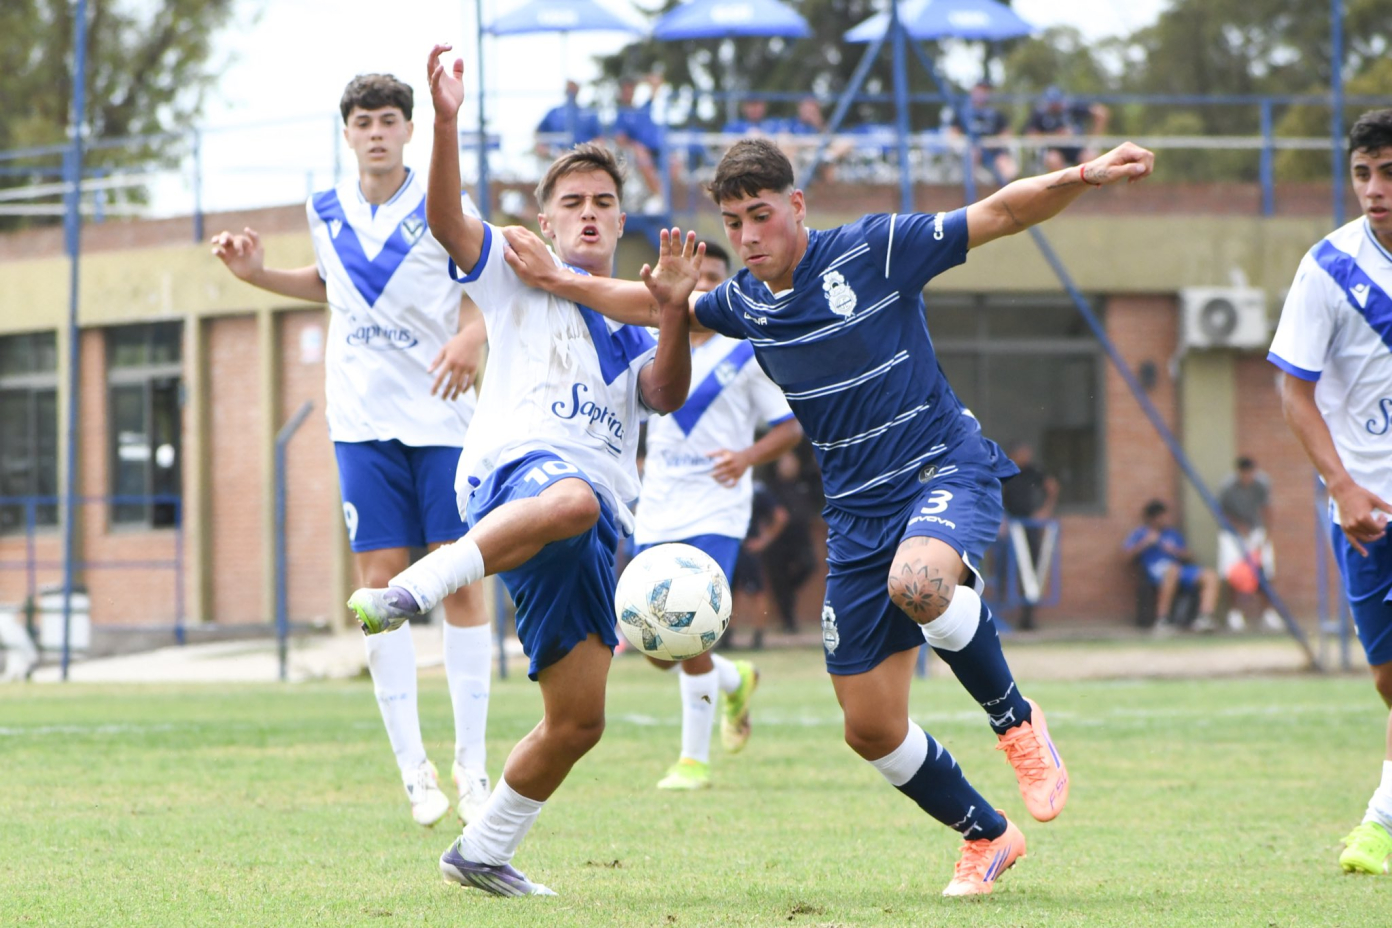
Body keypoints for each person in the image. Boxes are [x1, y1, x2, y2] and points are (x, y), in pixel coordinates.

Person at [500, 133, 1157, 896]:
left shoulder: (875, 250)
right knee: (869, 726)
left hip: (941, 468)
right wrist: (559, 279)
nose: (749, 236)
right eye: (734, 222)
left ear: (797, 205)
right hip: (855, 515)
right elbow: (651, 306)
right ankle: (987, 835)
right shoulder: (744, 301)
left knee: (919, 583)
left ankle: (1016, 723)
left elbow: (1002, 212)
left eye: (761, 215)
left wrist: (1084, 173)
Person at [347, 45, 699, 897]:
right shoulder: (515, 267)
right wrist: (446, 122)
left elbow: (665, 392)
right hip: (515, 475)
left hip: (593, 519)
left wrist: (674, 312)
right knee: (571, 497)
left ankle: (481, 849)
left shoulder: (636, 309)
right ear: (546, 219)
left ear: (622, 218)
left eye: (603, 202)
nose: (588, 214)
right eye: (571, 203)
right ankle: (416, 588)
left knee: (578, 721)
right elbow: (445, 222)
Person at [210, 73, 494, 830]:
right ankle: (414, 771)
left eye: (388, 120)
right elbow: (332, 282)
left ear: (409, 130)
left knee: (461, 583)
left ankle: (472, 765)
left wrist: (472, 335)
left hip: (444, 421)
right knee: (379, 589)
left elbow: (488, 283)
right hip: (361, 423)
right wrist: (257, 274)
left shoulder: (444, 203)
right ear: (346, 134)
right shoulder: (324, 208)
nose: (376, 133)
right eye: (363, 122)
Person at [1267, 108, 1392, 876]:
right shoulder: (1328, 268)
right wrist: (1342, 485)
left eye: (1390, 173)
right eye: (1363, 173)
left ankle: (1380, 824)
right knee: (1387, 677)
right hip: (1368, 510)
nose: (1375, 189)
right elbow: (1294, 392)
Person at [632, 240, 803, 790]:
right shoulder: (653, 341)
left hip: (717, 509)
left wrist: (747, 457)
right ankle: (736, 679)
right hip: (657, 507)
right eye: (693, 275)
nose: (699, 286)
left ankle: (693, 761)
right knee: (657, 648)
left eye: (710, 278)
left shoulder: (747, 352)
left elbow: (790, 427)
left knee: (690, 633)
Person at [1123, 500, 1220, 633]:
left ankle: (1204, 618)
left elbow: (1190, 556)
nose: (1165, 519)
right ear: (1152, 518)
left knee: (1210, 575)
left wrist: (1174, 550)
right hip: (1156, 571)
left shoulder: (1172, 534)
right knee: (1172, 570)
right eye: (1162, 517)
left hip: (1179, 569)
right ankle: (1162, 620)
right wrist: (1145, 543)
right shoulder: (1140, 533)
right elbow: (1126, 557)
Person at [1216, 456, 1281, 632]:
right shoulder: (1227, 487)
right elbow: (1222, 513)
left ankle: (1268, 613)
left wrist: (1266, 535)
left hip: (1256, 531)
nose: (1248, 477)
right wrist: (1238, 527)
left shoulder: (1261, 484)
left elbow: (1267, 510)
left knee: (1266, 569)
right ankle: (1234, 614)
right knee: (1232, 572)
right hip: (1232, 533)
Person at [999, 442, 1059, 630]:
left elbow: (1052, 487)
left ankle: (1028, 617)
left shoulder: (1034, 471)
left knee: (1031, 569)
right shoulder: (1005, 469)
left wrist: (1045, 511)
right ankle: (1002, 613)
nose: (1026, 457)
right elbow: (995, 493)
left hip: (1029, 527)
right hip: (1011, 527)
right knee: (1005, 568)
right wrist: (1001, 518)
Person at [761, 448, 821, 632]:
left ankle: (789, 589)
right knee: (778, 578)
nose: (788, 466)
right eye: (784, 462)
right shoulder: (770, 486)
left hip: (801, 536)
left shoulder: (804, 483)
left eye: (791, 462)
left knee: (809, 565)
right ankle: (789, 623)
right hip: (778, 539)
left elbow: (819, 491)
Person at [611, 73, 666, 211]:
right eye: (625, 89)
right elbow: (620, 139)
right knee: (643, 158)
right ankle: (661, 197)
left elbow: (657, 83)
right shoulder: (621, 114)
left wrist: (642, 79)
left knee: (675, 162)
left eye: (631, 88)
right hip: (641, 153)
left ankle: (674, 201)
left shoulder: (643, 109)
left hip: (659, 150)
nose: (628, 92)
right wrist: (635, 145)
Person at [945, 80, 1018, 183]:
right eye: (980, 90)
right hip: (971, 150)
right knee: (972, 155)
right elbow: (953, 133)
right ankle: (970, 189)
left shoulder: (995, 113)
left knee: (1009, 168)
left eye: (985, 91)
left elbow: (1007, 133)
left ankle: (1007, 189)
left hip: (993, 150)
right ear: (973, 91)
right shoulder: (963, 113)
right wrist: (965, 142)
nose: (982, 94)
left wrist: (995, 141)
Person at [1023, 86, 1110, 173]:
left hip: (1078, 148)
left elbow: (1101, 113)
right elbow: (1031, 135)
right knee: (1053, 159)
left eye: (1057, 103)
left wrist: (1092, 139)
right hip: (1056, 150)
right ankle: (1064, 181)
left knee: (1091, 158)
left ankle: (1083, 181)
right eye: (1052, 103)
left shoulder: (1073, 108)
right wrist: (1056, 136)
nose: (1055, 106)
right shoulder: (1040, 114)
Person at [534, 80, 604, 157]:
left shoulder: (589, 113)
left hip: (584, 157)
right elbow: (538, 135)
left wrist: (589, 152)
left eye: (573, 88)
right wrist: (548, 151)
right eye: (569, 88)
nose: (571, 91)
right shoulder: (554, 113)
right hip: (557, 157)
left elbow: (599, 139)